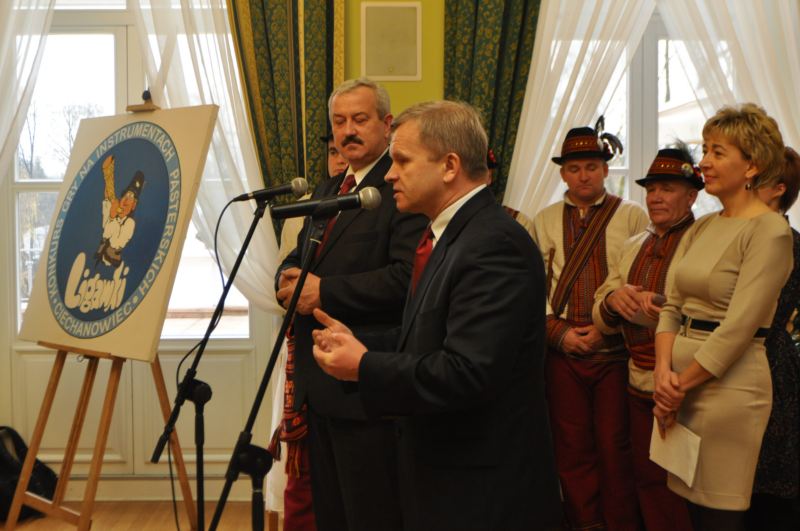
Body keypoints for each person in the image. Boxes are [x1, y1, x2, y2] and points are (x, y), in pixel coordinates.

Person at [311, 100, 561, 530]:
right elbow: (427, 336)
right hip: (445, 477)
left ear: (449, 166)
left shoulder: (493, 244)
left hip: (481, 491)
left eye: (402, 161)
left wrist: (364, 365)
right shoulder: (445, 233)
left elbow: (468, 372)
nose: (390, 174)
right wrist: (358, 342)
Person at [275, 78, 426, 531]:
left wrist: (323, 292)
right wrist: (286, 279)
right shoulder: (330, 188)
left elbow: (408, 277)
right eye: (339, 122)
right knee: (332, 516)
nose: (348, 131)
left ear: (386, 124)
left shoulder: (399, 188)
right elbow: (300, 256)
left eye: (360, 119)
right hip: (318, 385)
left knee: (370, 515)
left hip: (365, 382)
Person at [653, 103, 793, 531]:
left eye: (717, 152)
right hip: (679, 387)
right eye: (705, 150)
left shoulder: (770, 230)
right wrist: (663, 374)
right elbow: (671, 307)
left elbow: (739, 328)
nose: (705, 162)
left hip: (730, 391)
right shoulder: (702, 226)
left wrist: (678, 385)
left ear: (752, 165)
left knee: (720, 517)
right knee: (692, 515)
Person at [532, 119, 648, 530]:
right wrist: (558, 334)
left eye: (592, 167)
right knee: (571, 447)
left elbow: (637, 279)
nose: (584, 175)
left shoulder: (632, 215)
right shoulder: (544, 219)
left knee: (616, 447)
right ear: (563, 173)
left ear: (605, 169)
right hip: (562, 350)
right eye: (575, 168)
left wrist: (605, 328)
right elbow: (534, 285)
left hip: (614, 350)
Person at [593, 145, 702, 531]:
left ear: (692, 197)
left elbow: (714, 314)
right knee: (647, 478)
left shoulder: (704, 242)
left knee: (686, 485)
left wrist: (660, 304)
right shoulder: (632, 244)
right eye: (651, 189)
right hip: (637, 381)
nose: (655, 197)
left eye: (667, 189)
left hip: (688, 385)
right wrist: (613, 301)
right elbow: (600, 312)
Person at [272, 132, 348, 531]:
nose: (339, 158)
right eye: (333, 151)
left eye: (344, 150)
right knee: (308, 488)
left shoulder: (382, 200)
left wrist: (323, 291)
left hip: (350, 355)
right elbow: (291, 259)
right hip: (304, 352)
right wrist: (285, 282)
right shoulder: (315, 200)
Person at [745, 146, 800, 531]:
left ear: (779, 189)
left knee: (767, 484)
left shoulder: (785, 241)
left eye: (757, 180)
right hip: (759, 356)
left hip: (769, 363)